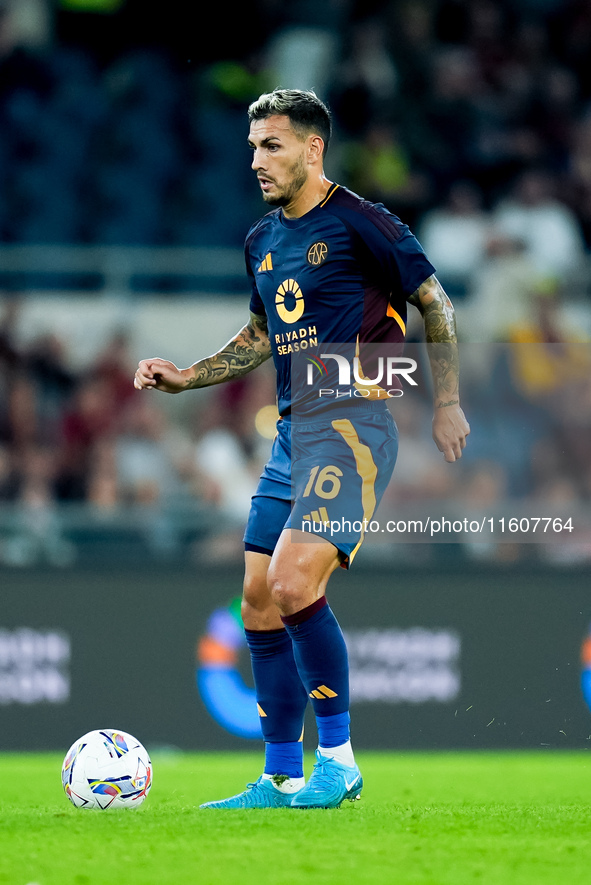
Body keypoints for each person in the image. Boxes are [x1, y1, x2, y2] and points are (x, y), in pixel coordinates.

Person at [134, 89, 470, 809]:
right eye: (253, 146)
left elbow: (435, 302)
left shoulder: (362, 223)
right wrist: (189, 375)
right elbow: (261, 334)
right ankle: (281, 772)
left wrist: (445, 401)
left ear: (313, 149)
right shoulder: (261, 240)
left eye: (273, 145)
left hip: (353, 421)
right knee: (257, 600)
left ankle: (339, 761)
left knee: (292, 585)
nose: (256, 160)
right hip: (294, 430)